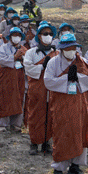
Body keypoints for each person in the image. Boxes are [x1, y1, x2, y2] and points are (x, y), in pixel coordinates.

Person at [43, 33, 88, 174]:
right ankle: (59, 168)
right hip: (61, 102)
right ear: (61, 49)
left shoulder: (82, 61)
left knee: (79, 131)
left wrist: (78, 78)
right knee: (62, 133)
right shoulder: (53, 62)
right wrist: (67, 78)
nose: (71, 51)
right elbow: (48, 82)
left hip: (78, 102)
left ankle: (76, 166)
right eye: (67, 48)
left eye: (73, 48)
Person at [23, 23, 57, 155]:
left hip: (51, 89)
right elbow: (28, 68)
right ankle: (34, 141)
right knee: (35, 114)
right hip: (37, 88)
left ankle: (46, 141)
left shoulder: (57, 53)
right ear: (39, 36)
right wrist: (43, 66)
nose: (47, 36)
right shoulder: (31, 52)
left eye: (50, 34)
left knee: (50, 114)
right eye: (45, 34)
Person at [0, 27, 27, 132]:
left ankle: (16, 124)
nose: (16, 37)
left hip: (19, 77)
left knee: (18, 98)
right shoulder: (3, 47)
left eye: (18, 35)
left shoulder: (24, 49)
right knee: (4, 98)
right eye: (14, 35)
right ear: (10, 37)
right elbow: (1, 60)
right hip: (6, 77)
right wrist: (14, 57)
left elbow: (29, 62)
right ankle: (3, 124)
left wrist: (22, 59)